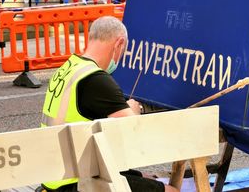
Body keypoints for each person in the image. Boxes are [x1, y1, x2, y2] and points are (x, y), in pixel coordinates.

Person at [38, 16, 178, 192]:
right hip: (75, 181)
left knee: (147, 178)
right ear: (119, 43)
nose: (119, 58)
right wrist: (134, 110)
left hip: (58, 173)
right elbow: (134, 135)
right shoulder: (96, 79)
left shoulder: (69, 68)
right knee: (171, 191)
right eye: (123, 51)